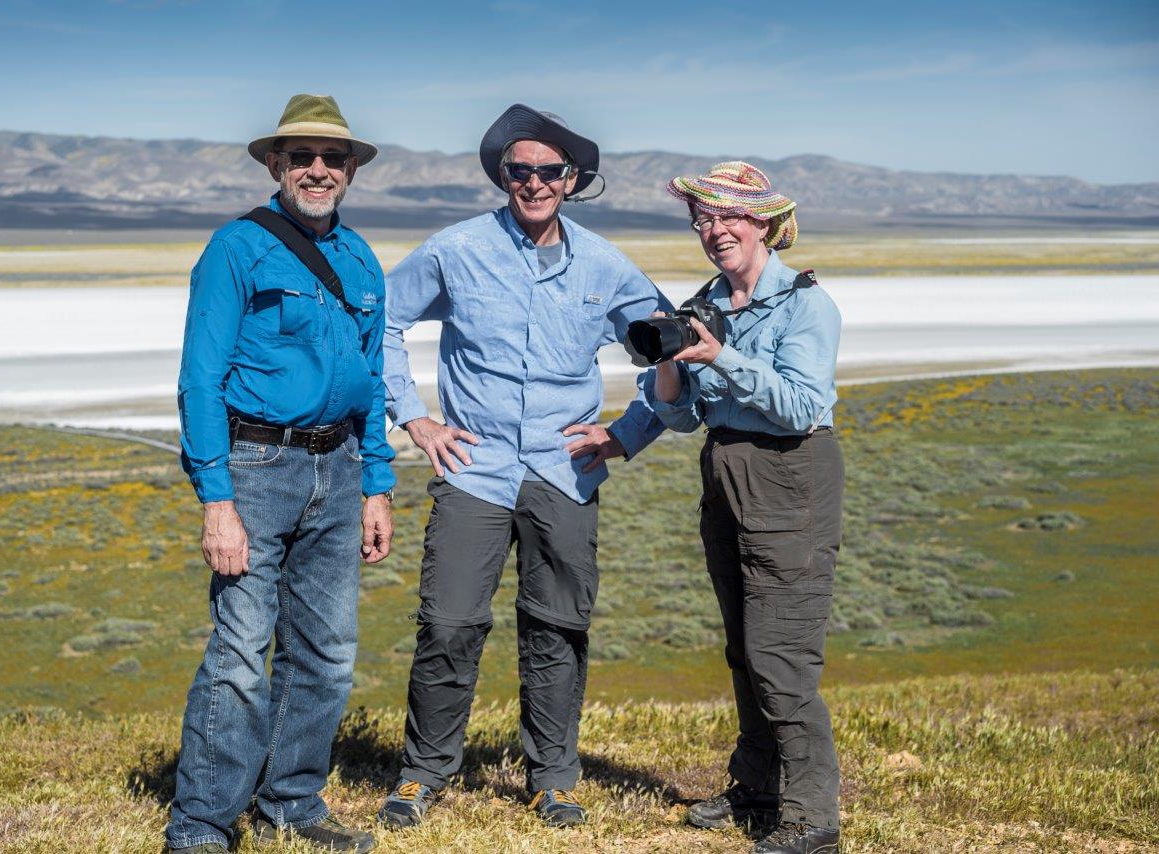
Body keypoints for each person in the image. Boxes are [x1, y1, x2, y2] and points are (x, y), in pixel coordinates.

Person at [376, 104, 672, 829]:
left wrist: (626, 435)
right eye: (520, 170)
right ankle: (424, 772)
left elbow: (670, 347)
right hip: (473, 467)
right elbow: (379, 320)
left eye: (549, 171)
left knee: (558, 626)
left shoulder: (604, 264)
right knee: (448, 622)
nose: (534, 183)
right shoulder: (456, 249)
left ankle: (553, 778)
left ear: (572, 180)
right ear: (504, 176)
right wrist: (413, 417)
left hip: (562, 471)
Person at [165, 94, 395, 854]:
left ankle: (293, 804)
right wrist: (216, 500)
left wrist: (377, 483)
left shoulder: (362, 261)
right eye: (302, 157)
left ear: (352, 170)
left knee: (327, 653)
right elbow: (200, 379)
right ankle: (201, 825)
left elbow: (372, 376)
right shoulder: (236, 248)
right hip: (256, 466)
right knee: (239, 653)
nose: (318, 170)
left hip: (340, 464)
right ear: (276, 165)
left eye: (333, 159)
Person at [643, 162, 843, 854]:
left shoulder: (805, 306)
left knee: (780, 654)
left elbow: (801, 406)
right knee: (743, 648)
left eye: (729, 216)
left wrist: (722, 354)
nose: (714, 229)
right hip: (726, 472)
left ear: (765, 224)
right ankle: (757, 784)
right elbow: (682, 418)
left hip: (790, 476)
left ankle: (812, 816)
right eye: (703, 218)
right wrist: (669, 362)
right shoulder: (707, 301)